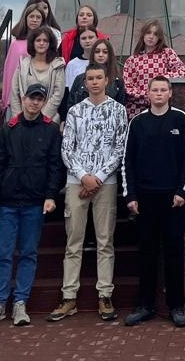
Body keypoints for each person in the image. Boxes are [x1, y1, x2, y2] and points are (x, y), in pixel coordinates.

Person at [0, 82, 65, 327]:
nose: (35, 102)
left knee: (28, 253)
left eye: (40, 99)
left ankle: (20, 303)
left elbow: (54, 167)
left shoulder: (50, 130)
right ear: (23, 98)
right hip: (7, 201)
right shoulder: (9, 128)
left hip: (35, 202)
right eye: (32, 98)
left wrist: (51, 196)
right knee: (4, 254)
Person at [50, 62, 129, 323]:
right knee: (74, 242)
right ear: (84, 82)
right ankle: (68, 297)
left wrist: (98, 177)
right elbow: (67, 148)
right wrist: (84, 176)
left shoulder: (118, 111)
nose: (94, 82)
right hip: (76, 181)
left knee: (105, 241)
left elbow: (120, 149)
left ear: (107, 80)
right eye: (90, 78)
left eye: (99, 78)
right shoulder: (74, 111)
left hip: (105, 182)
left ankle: (105, 294)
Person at [123, 76, 185, 328]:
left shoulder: (180, 119)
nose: (159, 93)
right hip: (144, 200)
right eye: (155, 90)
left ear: (170, 93)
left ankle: (177, 306)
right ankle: (145, 305)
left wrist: (182, 192)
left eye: (164, 90)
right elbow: (127, 162)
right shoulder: (138, 122)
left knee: (174, 253)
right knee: (146, 254)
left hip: (172, 201)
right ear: (148, 93)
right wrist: (130, 195)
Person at [122, 20, 185, 119]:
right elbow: (128, 87)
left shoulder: (167, 53)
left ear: (159, 38)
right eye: (148, 32)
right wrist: (147, 96)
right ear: (143, 34)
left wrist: (161, 79)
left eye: (155, 34)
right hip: (138, 110)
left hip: (162, 109)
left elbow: (182, 71)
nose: (151, 36)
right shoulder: (132, 60)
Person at [10, 27, 66, 120]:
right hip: (23, 120)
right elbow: (14, 93)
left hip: (48, 120)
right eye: (38, 40)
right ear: (32, 43)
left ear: (50, 44)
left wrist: (42, 118)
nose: (41, 43)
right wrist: (18, 117)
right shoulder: (23, 64)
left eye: (45, 40)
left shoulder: (57, 65)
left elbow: (58, 94)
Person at [0, 3, 47, 114]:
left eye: (38, 17)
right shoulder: (16, 44)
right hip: (17, 97)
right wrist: (6, 99)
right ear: (25, 19)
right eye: (31, 16)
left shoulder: (46, 43)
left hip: (38, 96)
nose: (34, 20)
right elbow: (9, 73)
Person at [67, 37, 127, 109]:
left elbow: (120, 108)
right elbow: (71, 106)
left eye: (105, 52)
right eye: (97, 51)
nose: (100, 55)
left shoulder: (118, 81)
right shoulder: (80, 79)